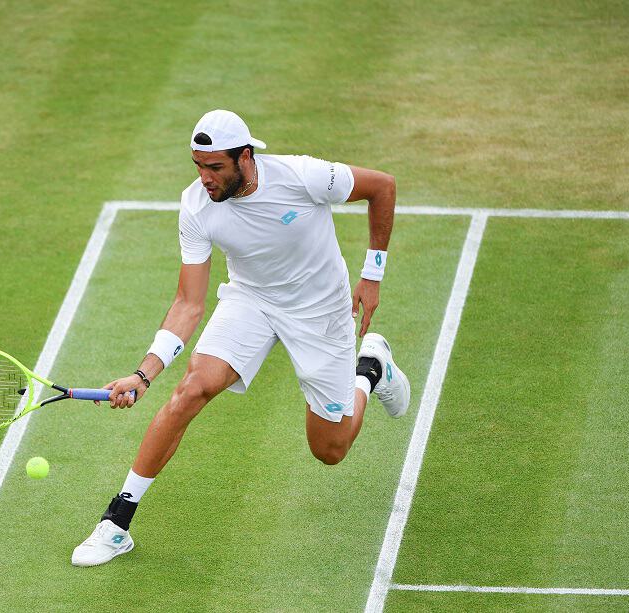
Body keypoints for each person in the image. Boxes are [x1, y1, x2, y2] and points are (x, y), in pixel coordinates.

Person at [71, 109, 410, 567]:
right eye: (198, 166)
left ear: (245, 157)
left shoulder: (301, 175)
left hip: (320, 310)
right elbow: (188, 303)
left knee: (330, 450)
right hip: (251, 300)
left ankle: (370, 368)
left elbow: (382, 186)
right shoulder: (195, 206)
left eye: (215, 168)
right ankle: (116, 522)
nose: (205, 178)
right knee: (191, 389)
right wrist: (143, 373)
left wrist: (372, 276)